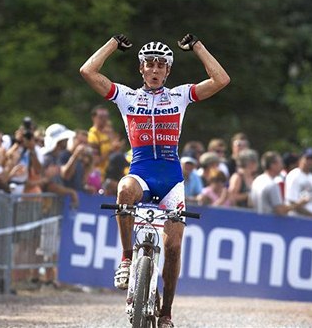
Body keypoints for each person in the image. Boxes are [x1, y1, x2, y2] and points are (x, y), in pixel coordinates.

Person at [80, 33, 230, 327]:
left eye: (161, 65)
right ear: (141, 69)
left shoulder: (180, 96)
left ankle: (167, 312)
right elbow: (88, 71)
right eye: (150, 64)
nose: (155, 69)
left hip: (171, 181)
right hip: (141, 174)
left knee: (173, 248)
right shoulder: (126, 97)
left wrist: (197, 46)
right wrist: (112, 44)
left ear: (168, 71)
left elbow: (221, 80)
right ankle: (126, 258)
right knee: (124, 188)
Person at [285, 148, 312, 218]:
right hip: (296, 220)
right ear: (300, 159)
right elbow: (292, 203)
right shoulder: (294, 175)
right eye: (307, 158)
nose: (310, 161)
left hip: (310, 220)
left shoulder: (311, 177)